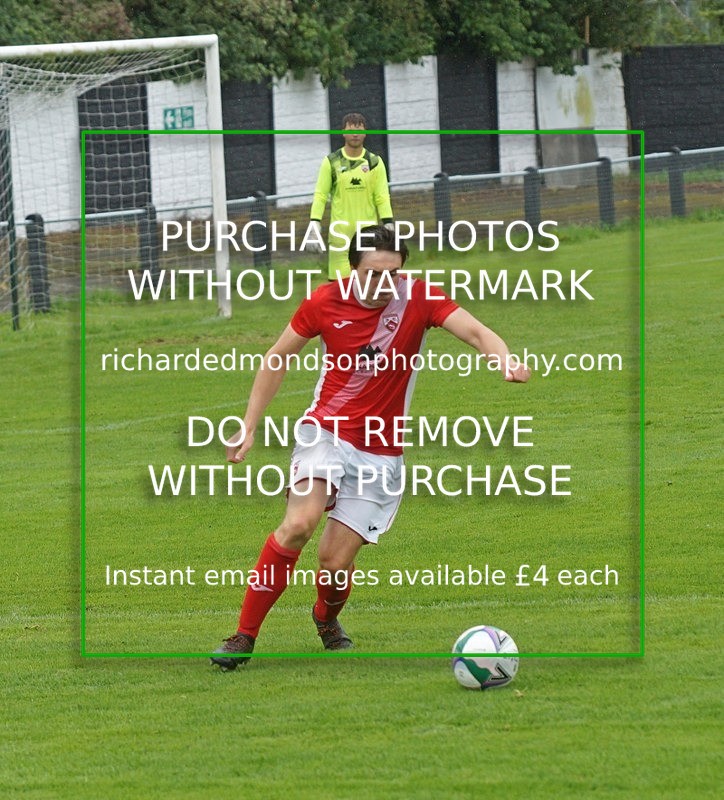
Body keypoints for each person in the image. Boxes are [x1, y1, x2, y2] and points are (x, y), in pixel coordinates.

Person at [211, 225, 531, 669]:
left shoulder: (417, 298)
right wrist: (248, 426)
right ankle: (242, 636)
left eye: (393, 273)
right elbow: (277, 357)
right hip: (324, 432)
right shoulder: (324, 301)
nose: (384, 284)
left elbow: (477, 333)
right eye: (374, 273)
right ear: (352, 269)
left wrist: (505, 359)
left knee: (333, 563)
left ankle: (325, 617)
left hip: (380, 452)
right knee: (299, 523)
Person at [307, 112, 393, 279]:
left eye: (359, 130)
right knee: (340, 289)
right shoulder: (331, 162)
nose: (355, 134)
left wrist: (389, 223)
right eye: (351, 130)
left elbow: (382, 196)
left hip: (368, 238)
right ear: (343, 132)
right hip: (340, 237)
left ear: (366, 132)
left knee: (367, 287)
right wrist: (314, 223)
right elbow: (320, 195)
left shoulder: (374, 162)